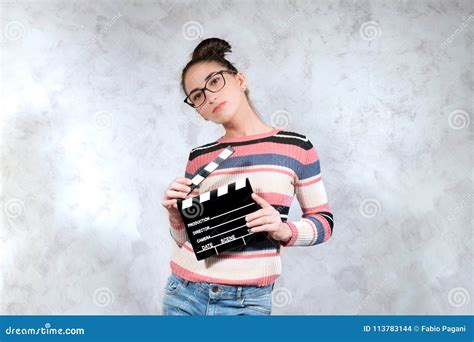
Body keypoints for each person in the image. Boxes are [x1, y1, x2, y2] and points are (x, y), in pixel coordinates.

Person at [161, 37, 334, 315]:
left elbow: (324, 223)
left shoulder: (296, 147)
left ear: (240, 79)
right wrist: (175, 216)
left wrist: (283, 229)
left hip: (247, 300)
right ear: (200, 112)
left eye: (215, 81)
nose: (210, 96)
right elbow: (187, 239)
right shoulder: (199, 157)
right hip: (184, 294)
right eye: (197, 96)